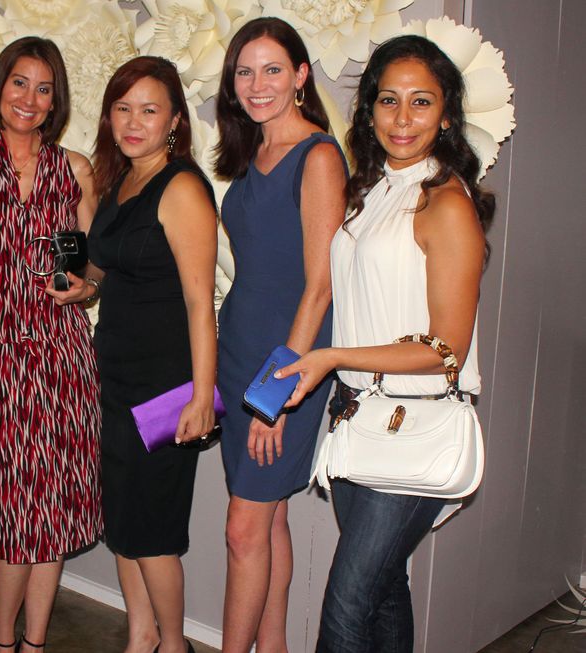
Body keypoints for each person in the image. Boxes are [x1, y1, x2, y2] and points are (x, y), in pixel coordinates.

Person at [275, 35, 494, 652]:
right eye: (389, 101)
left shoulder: (446, 203)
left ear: (447, 112)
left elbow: (446, 348)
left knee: (346, 605)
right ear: (369, 110)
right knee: (383, 588)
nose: (403, 119)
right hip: (358, 415)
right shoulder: (371, 191)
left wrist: (334, 356)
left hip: (412, 420)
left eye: (421, 102)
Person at [0, 37, 101, 653]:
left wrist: (84, 287)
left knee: (52, 509)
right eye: (18, 82)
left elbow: (90, 265)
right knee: (10, 506)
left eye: (43, 87)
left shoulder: (76, 169)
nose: (28, 99)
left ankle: (33, 644)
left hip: (62, 357)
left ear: (55, 98)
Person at [63, 55, 218, 653]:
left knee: (152, 530)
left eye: (149, 110)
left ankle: (174, 643)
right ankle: (140, 636)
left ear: (174, 119)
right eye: (123, 108)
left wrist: (202, 397)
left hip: (168, 387)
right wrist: (87, 286)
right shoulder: (118, 181)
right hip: (115, 375)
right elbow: (108, 266)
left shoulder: (180, 187)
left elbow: (201, 303)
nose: (134, 121)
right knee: (122, 519)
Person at [211, 17, 347, 653]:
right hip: (239, 351)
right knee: (269, 521)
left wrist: (276, 394)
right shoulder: (249, 155)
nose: (257, 83)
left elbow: (318, 288)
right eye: (245, 70)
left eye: (272, 69)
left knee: (243, 528)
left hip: (286, 366)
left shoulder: (318, 156)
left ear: (300, 76)